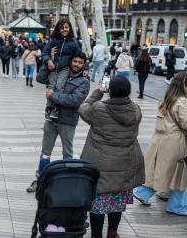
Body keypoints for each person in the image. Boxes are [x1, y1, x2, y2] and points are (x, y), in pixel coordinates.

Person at [78, 76, 145, 238]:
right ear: (128, 91)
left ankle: (96, 235)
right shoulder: (135, 110)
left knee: (98, 203)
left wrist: (98, 93)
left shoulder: (99, 109)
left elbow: (82, 108)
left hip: (100, 166)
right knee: (117, 202)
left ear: (110, 90)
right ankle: (113, 232)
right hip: (124, 165)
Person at [26, 51, 90, 193]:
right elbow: (40, 78)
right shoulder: (61, 73)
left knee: (67, 153)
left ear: (83, 64)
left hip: (67, 121)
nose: (77, 64)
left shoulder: (84, 81)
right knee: (45, 153)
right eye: (75, 61)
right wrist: (48, 61)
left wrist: (53, 95)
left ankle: (66, 183)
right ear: (70, 62)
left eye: (80, 62)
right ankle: (41, 181)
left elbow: (74, 100)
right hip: (51, 119)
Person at [133, 72, 187, 216]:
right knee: (179, 174)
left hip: (160, 139)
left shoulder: (166, 98)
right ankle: (177, 206)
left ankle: (143, 192)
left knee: (160, 170)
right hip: (174, 141)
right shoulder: (182, 101)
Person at [40, 19, 82, 120]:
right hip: (53, 68)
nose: (64, 29)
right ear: (58, 29)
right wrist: (48, 61)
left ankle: (56, 108)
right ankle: (48, 108)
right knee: (51, 86)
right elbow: (45, 52)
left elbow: (80, 55)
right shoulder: (54, 41)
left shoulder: (72, 42)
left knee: (59, 86)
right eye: (62, 27)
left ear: (70, 28)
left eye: (66, 27)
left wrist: (85, 67)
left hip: (65, 68)